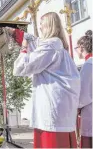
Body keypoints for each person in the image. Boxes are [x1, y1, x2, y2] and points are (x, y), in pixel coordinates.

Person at [13, 12, 80, 148]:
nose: (41, 28)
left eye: (42, 24)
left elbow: (22, 68)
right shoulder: (58, 45)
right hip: (61, 109)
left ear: (49, 25)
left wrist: (24, 48)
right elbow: (36, 41)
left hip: (52, 108)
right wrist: (19, 35)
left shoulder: (50, 45)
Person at [75, 30, 92, 148]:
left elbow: (84, 94)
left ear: (81, 47)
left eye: (76, 47)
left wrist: (76, 106)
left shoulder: (88, 65)